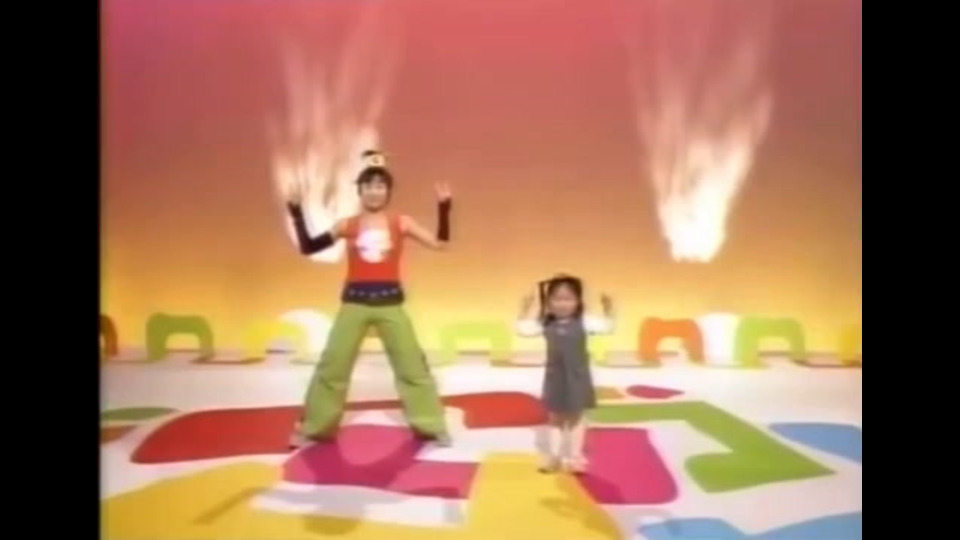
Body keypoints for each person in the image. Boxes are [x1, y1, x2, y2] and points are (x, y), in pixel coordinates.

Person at [279, 151, 453, 447]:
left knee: (412, 367)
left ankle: (431, 425)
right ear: (359, 191)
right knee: (332, 367)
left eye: (380, 186)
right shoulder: (347, 225)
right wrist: (295, 211)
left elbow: (440, 244)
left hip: (390, 305)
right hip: (354, 304)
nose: (375, 191)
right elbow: (308, 247)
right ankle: (314, 428)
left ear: (388, 191)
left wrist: (444, 208)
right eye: (369, 186)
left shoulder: (401, 222)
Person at [515, 275, 615, 473]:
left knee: (576, 418)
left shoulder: (584, 321)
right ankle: (554, 458)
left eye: (568, 299)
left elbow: (607, 327)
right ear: (548, 301)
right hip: (555, 377)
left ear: (578, 301)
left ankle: (575, 458)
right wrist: (524, 309)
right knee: (555, 419)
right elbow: (523, 330)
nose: (562, 304)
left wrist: (609, 309)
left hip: (578, 377)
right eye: (557, 299)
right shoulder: (546, 322)